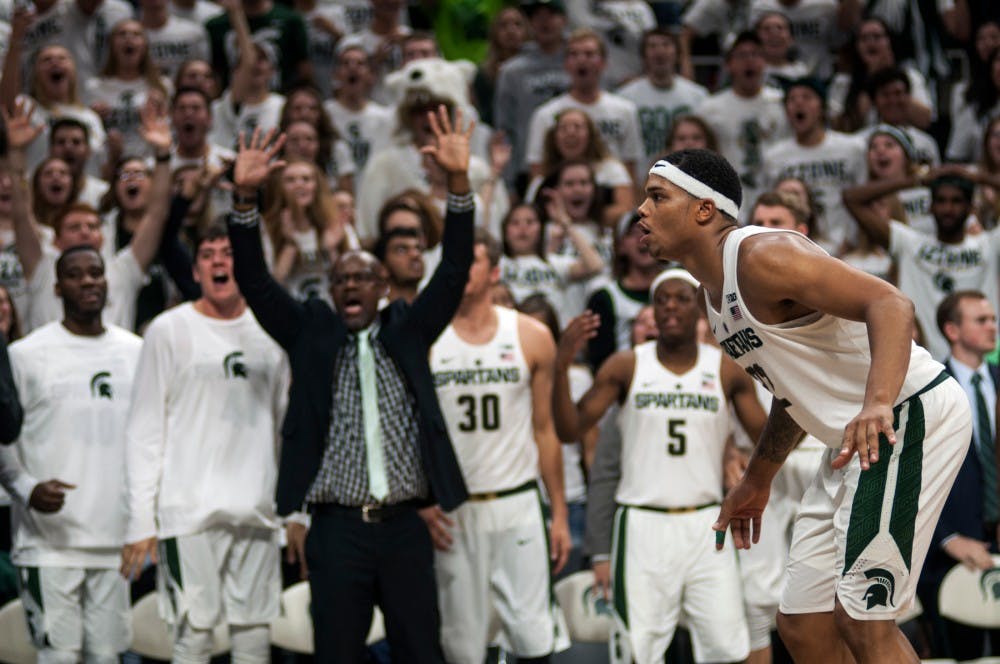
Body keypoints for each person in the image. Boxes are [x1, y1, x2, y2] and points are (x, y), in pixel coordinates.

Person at [636, 149, 971, 663]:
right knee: (801, 624)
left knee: (861, 616)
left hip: (908, 412)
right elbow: (792, 395)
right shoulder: (714, 294)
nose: (642, 209)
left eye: (658, 197)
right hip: (852, 438)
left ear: (704, 210)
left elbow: (891, 304)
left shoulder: (762, 255)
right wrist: (758, 478)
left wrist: (878, 402)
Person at [225, 110, 474, 661]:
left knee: (421, 652)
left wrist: (458, 184)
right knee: (336, 654)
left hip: (407, 526)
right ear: (332, 290)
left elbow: (455, 268)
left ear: (383, 284)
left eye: (363, 277)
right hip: (337, 531)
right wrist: (245, 202)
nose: (351, 285)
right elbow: (255, 281)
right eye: (341, 279)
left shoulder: (409, 327)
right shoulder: (309, 330)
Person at [553, 267, 765, 664]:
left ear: (699, 309)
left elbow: (767, 440)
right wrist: (562, 365)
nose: (670, 307)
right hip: (642, 523)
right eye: (661, 299)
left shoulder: (724, 369)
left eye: (680, 298)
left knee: (725, 645)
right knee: (639, 650)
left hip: (706, 524)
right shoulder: (626, 365)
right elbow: (569, 430)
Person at [121, 222, 289, 663]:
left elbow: (286, 427)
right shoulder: (167, 329)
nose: (219, 261)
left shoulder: (272, 331)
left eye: (229, 253)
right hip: (188, 510)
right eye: (209, 254)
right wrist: (141, 519)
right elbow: (144, 428)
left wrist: (294, 511)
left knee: (254, 637)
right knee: (193, 638)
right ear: (195, 271)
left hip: (257, 508)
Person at [428, 228, 571, 663]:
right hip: (454, 509)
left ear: (495, 271)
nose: (458, 269)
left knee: (532, 638)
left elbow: (545, 430)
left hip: (518, 503)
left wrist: (560, 513)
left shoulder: (530, 335)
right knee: (462, 646)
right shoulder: (426, 338)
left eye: (469, 260)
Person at [0, 245, 142, 662]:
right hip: (49, 544)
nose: (88, 282)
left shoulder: (136, 351)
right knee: (59, 657)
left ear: (107, 281)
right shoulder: (25, 354)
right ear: (58, 288)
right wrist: (25, 487)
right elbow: (1, 436)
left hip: (115, 540)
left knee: (107, 657)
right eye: (76, 275)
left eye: (95, 273)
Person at [917, 290, 1000, 661]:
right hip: (948, 549)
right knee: (958, 655)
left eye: (993, 319)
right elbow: (912, 477)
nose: (992, 326)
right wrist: (946, 537)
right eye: (981, 320)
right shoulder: (927, 388)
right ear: (952, 329)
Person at [842, 167, 1000, 360]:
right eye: (941, 201)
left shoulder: (989, 245)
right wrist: (915, 180)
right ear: (930, 207)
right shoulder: (910, 244)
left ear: (970, 207)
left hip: (980, 361)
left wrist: (980, 177)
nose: (948, 208)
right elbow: (852, 199)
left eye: (956, 201)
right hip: (921, 359)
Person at [617, 28, 709, 172]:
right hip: (641, 177)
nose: (659, 51)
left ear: (678, 54)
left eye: (666, 45)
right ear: (643, 56)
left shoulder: (699, 96)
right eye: (652, 46)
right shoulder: (625, 97)